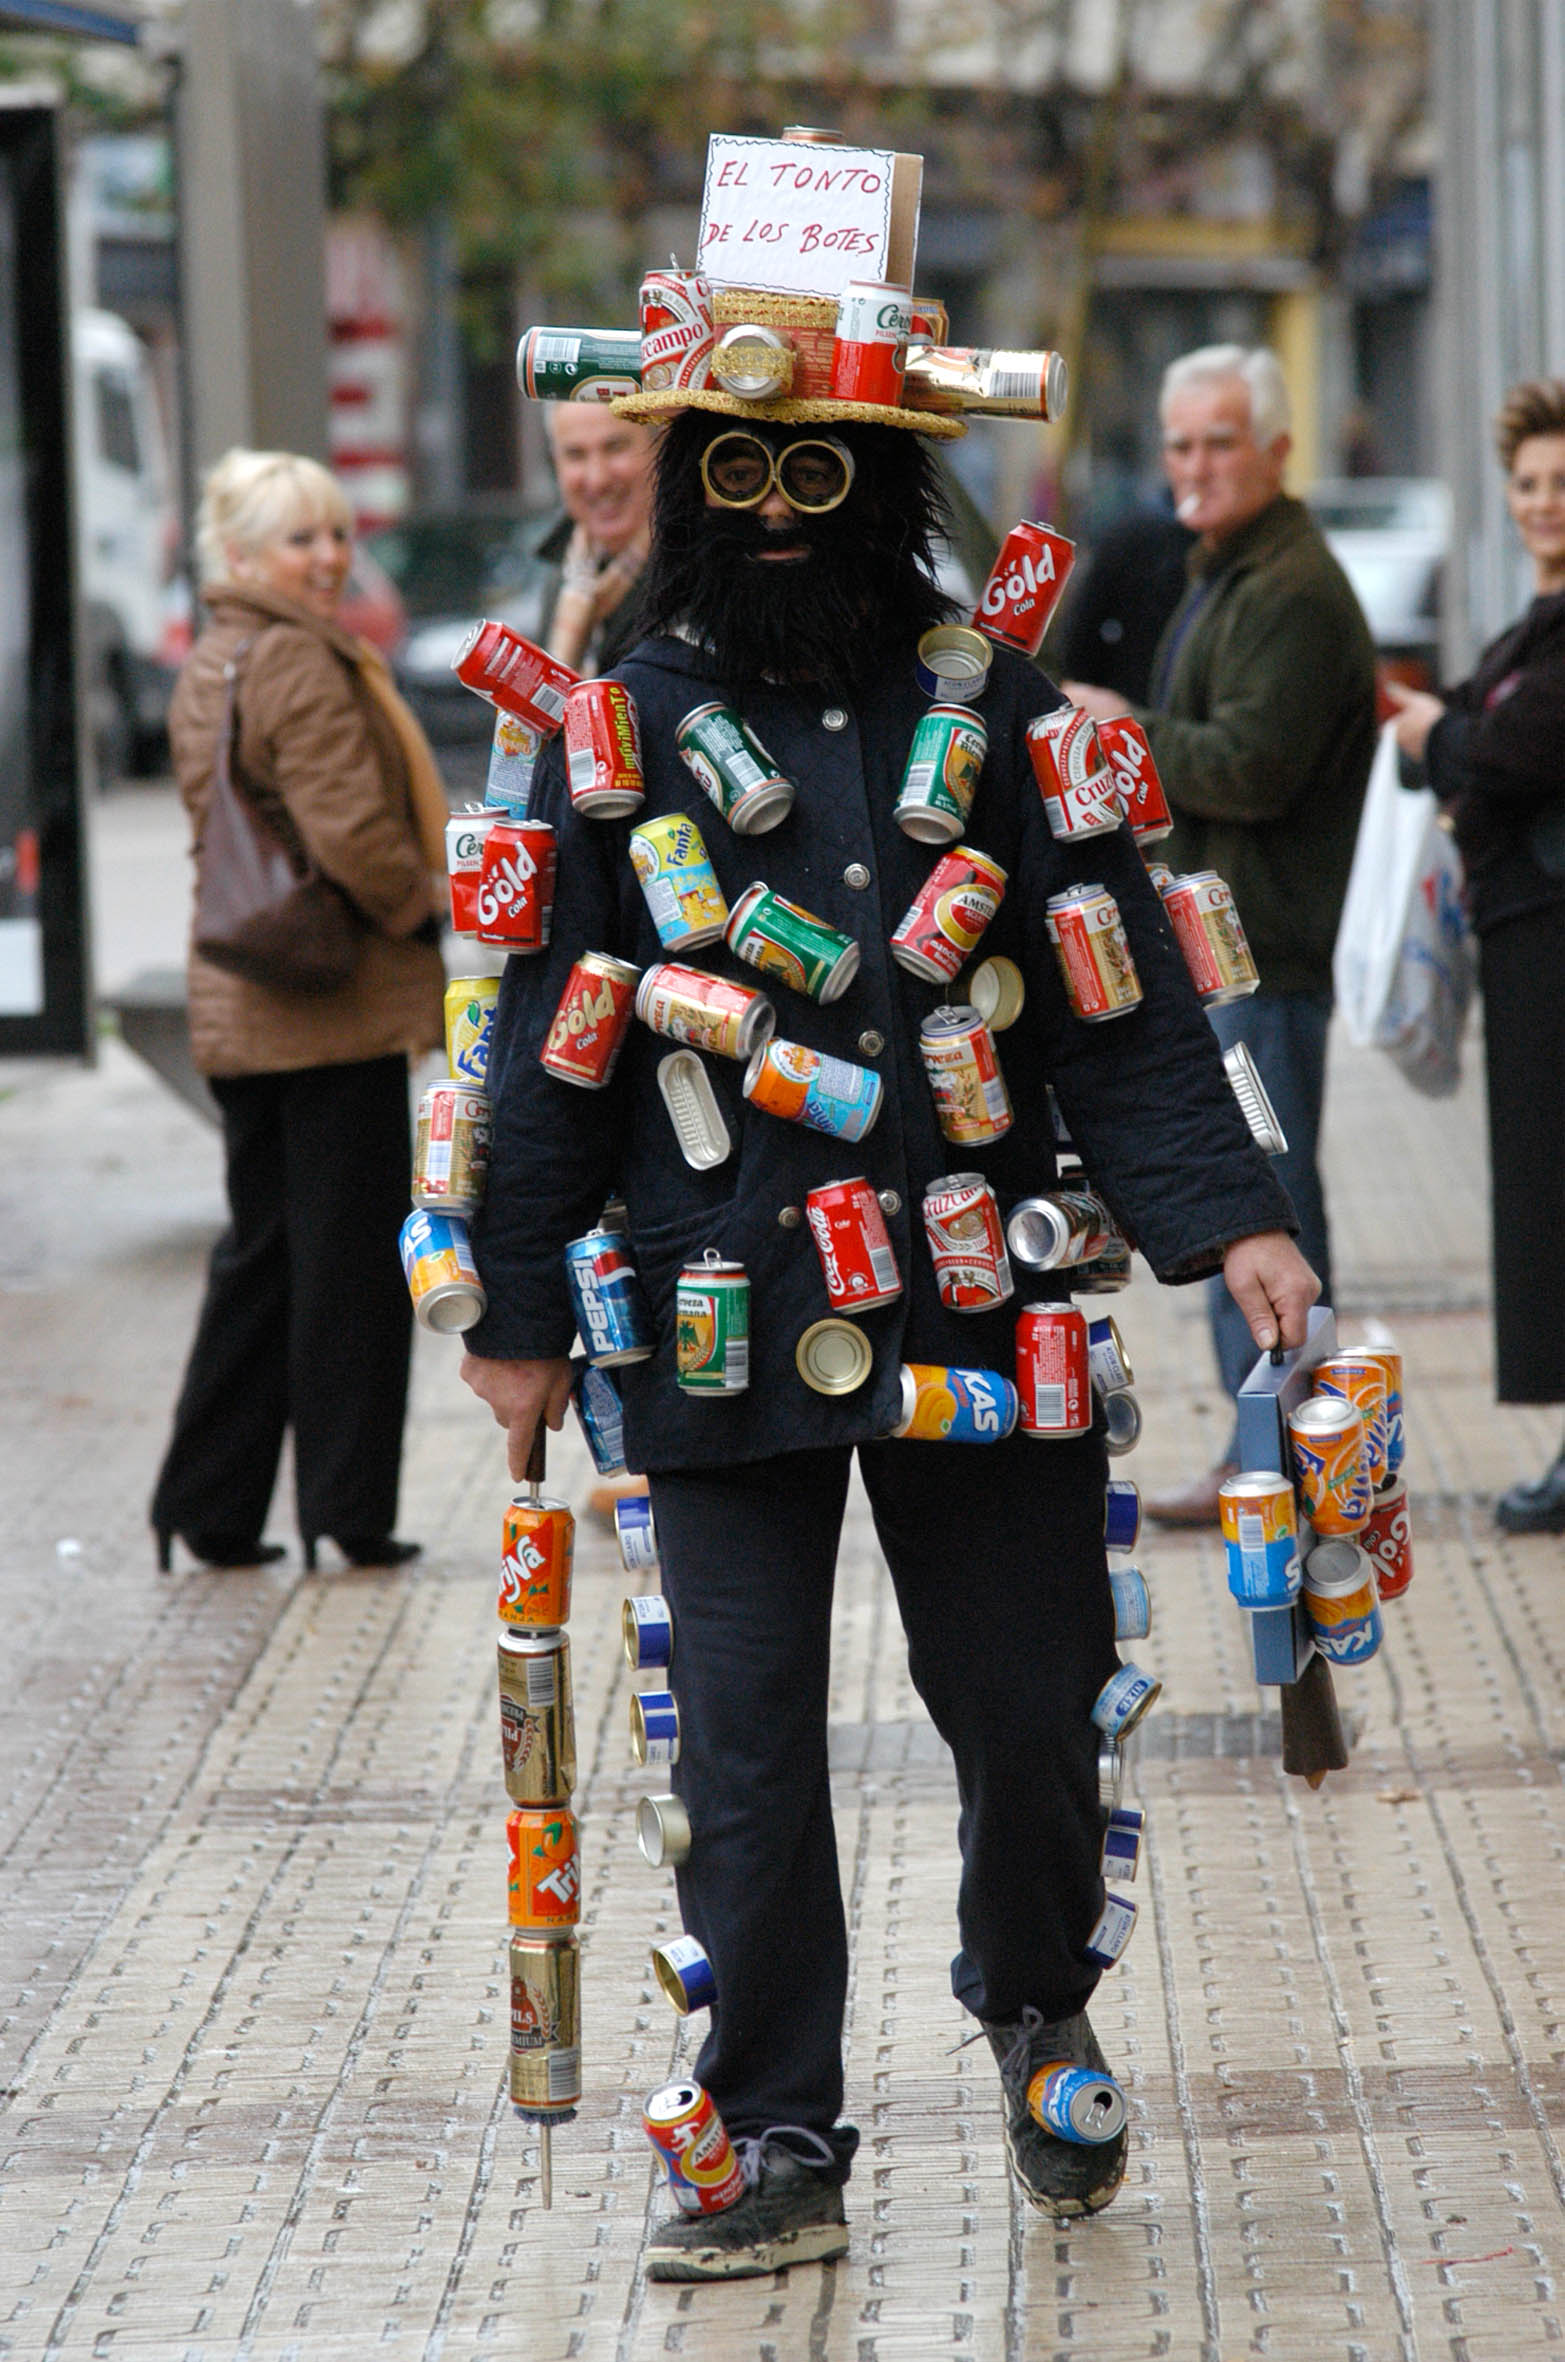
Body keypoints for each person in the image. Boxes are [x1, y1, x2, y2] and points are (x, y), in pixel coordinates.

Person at [459, 358, 1316, 2278]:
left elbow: (1126, 1007)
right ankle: (776, 2128)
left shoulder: (995, 705)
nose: (779, 503)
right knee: (745, 1742)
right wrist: (514, 1299)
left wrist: (1233, 1224)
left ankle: (1034, 1999)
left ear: (883, 484)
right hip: (714, 1308)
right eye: (740, 467)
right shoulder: (626, 720)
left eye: (818, 467)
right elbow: (547, 1031)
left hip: (983, 1297)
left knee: (1028, 1710)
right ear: (689, 484)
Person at [1066, 345, 1376, 1527]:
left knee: (1260, 1200)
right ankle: (1278, 1451)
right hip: (1225, 954)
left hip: (1263, 961)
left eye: (1218, 442)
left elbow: (1250, 765)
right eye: (1178, 443)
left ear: (1277, 450)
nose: (1191, 465)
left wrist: (1121, 726)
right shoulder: (1231, 569)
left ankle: (1288, 1463)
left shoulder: (1290, 587)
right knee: (1249, 1188)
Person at [150, 450, 446, 1574]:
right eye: (299, 540)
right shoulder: (302, 663)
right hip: (331, 1005)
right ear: (240, 556)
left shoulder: (214, 658)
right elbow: (356, 839)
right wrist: (425, 906)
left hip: (241, 1000)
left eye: (335, 535)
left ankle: (209, 1504)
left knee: (263, 1256)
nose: (328, 558)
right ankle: (347, 1509)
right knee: (350, 1267)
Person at [1388, 380, 1565, 1533]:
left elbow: (1501, 747)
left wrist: (1436, 737)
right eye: (1527, 484)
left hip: (1552, 940)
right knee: (1541, 1197)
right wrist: (1438, 738)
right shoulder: (1527, 621)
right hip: (1524, 942)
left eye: (1560, 485)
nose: (1542, 502)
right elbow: (1462, 732)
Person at [537, 404, 655, 674]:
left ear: (660, 448)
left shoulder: (702, 572)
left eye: (615, 447)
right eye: (575, 454)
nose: (597, 478)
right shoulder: (565, 574)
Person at [1053, 495, 1194, 704]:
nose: (1197, 470)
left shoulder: (1134, 533)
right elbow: (1080, 636)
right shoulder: (1137, 537)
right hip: (1126, 711)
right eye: (1183, 458)